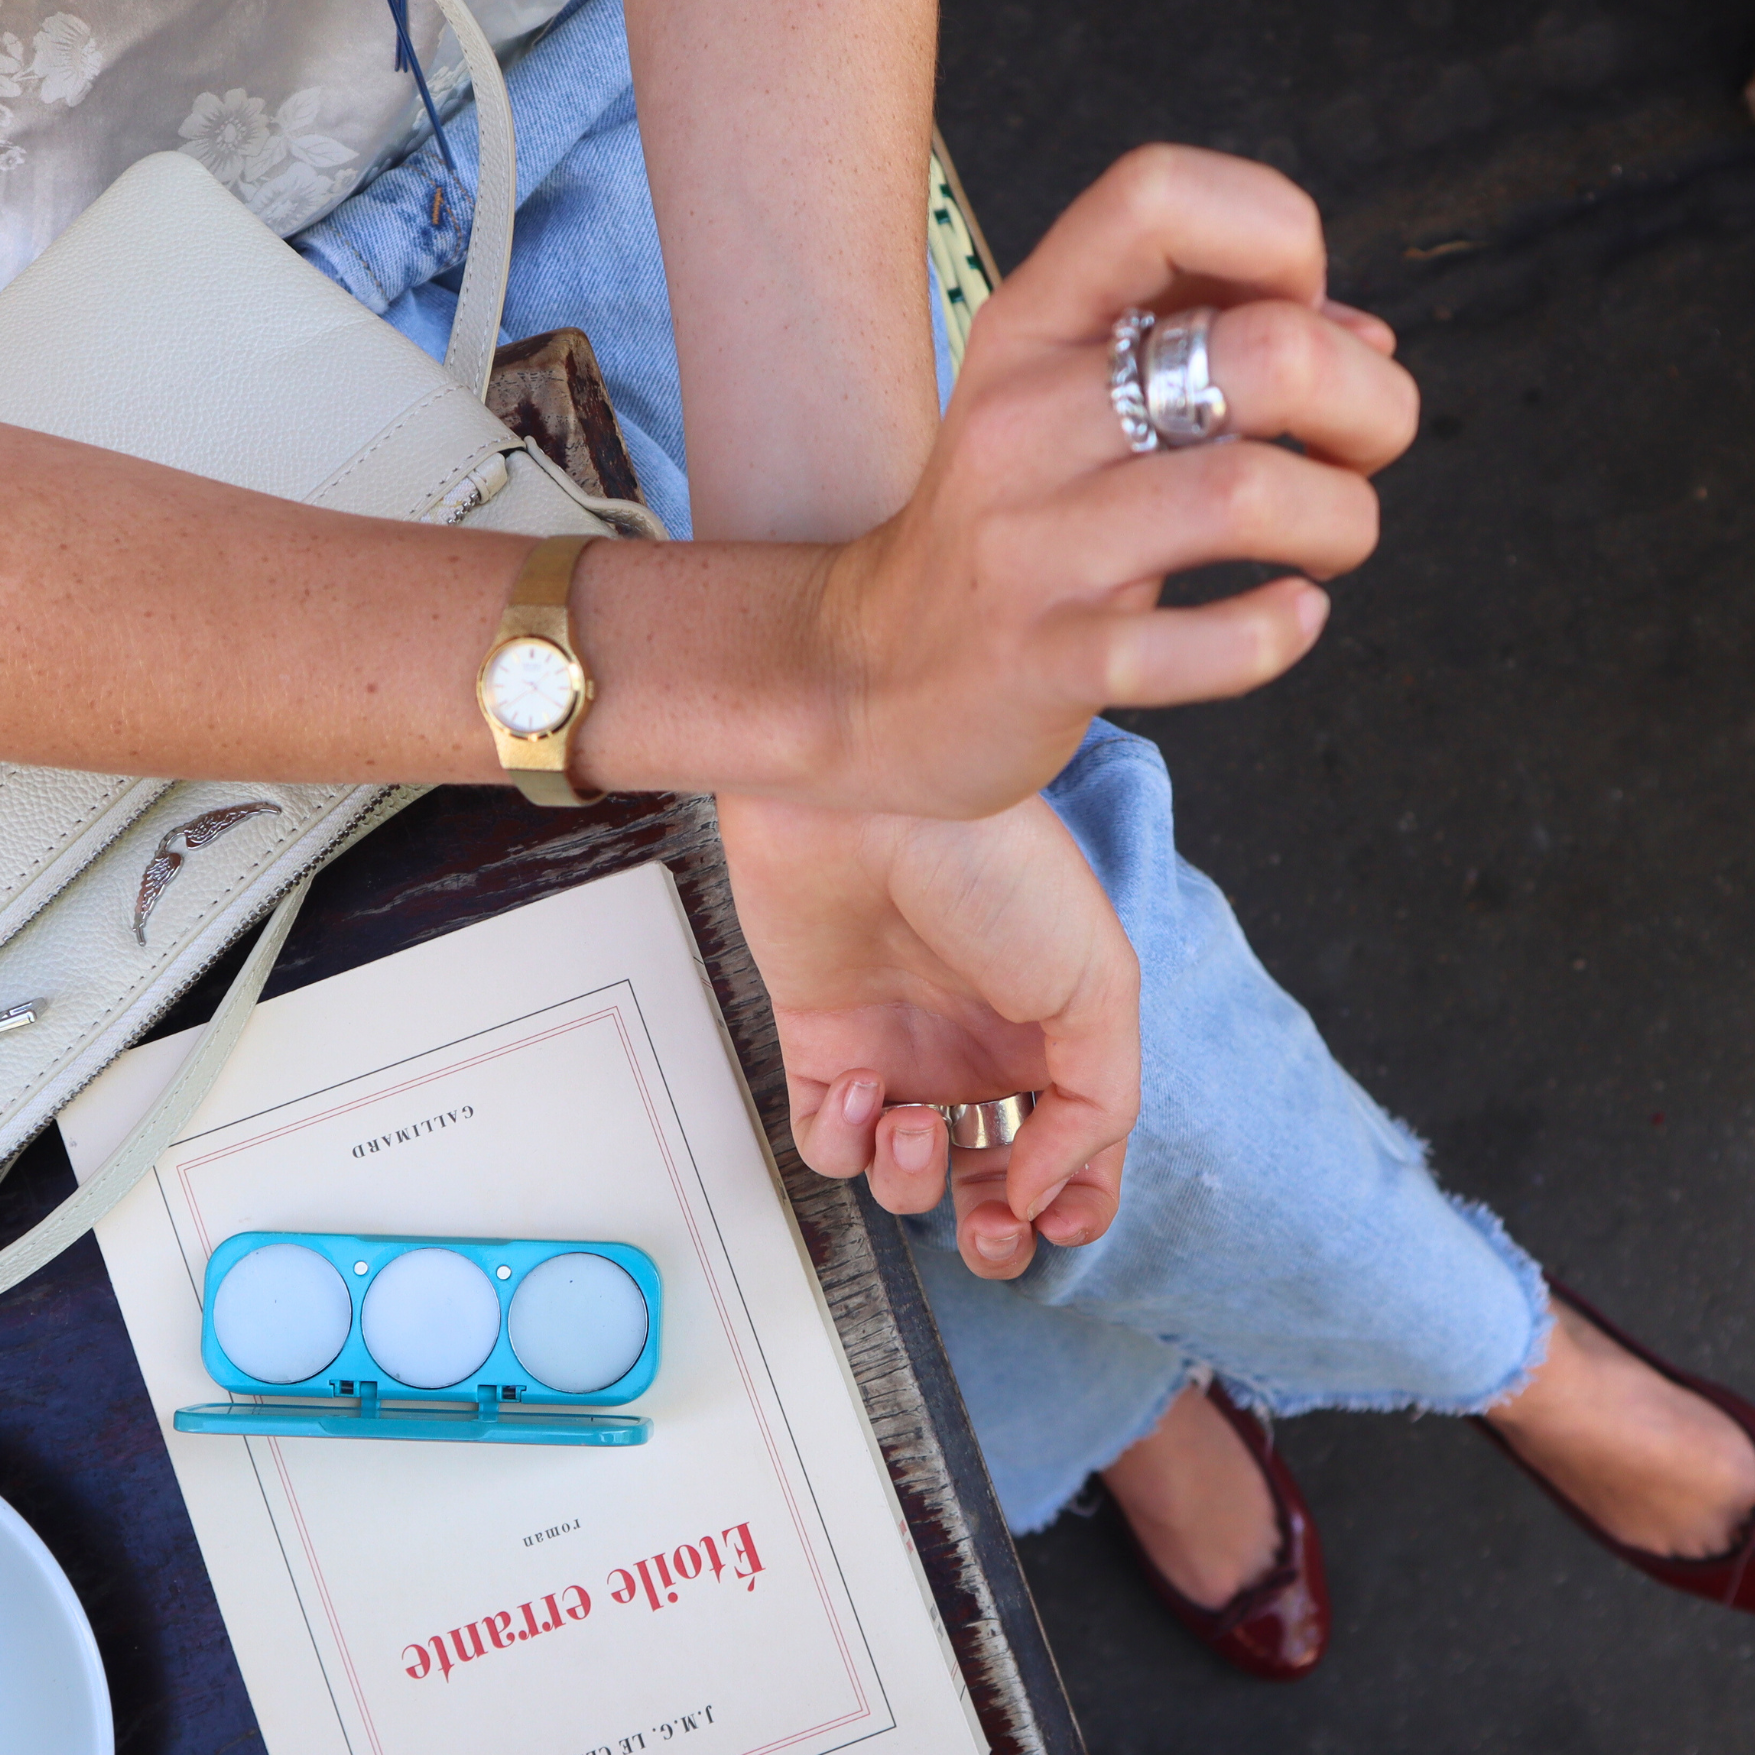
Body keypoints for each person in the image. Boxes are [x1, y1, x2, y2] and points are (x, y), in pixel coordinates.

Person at [3, 0, 1752, 1687]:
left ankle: (1489, 1347)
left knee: (1006, 983)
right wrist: (810, 672)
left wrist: (838, 664)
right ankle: (1134, 1402)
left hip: (612, 100)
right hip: (116, 476)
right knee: (724, 1143)